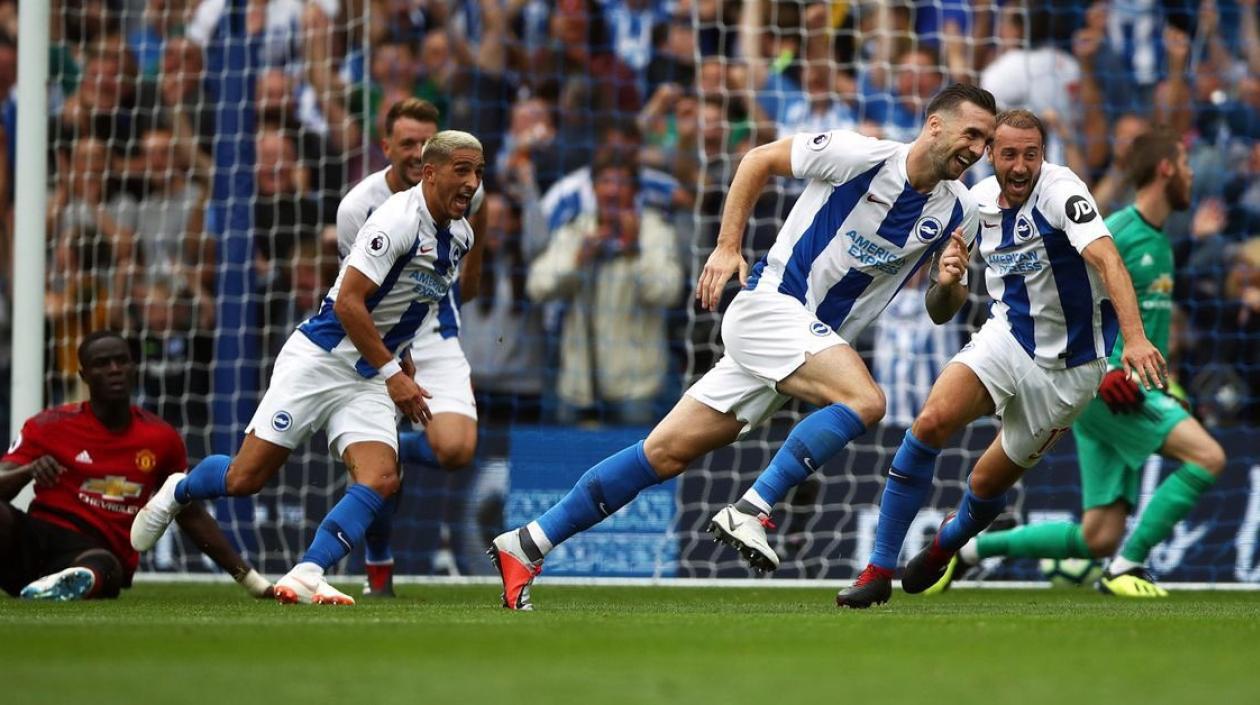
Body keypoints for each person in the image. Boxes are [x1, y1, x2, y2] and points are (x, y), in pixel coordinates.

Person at [489, 83, 999, 610]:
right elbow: (758, 159)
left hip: (805, 346)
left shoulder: (958, 210)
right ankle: (753, 508)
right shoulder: (860, 156)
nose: (978, 149)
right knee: (866, 400)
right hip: (771, 308)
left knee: (663, 453)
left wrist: (950, 284)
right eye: (972, 134)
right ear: (934, 125)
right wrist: (726, 246)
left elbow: (942, 310)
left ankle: (528, 542)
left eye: (985, 141)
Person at [129, 131, 485, 606]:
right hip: (321, 359)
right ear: (430, 173)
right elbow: (348, 304)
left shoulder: (461, 235)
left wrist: (402, 358)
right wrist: (393, 373)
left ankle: (308, 572)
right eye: (462, 170)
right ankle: (179, 488)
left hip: (370, 375)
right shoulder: (395, 220)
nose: (472, 182)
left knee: (381, 477)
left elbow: (413, 302)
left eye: (478, 172)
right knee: (245, 479)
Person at [835, 109, 1166, 608]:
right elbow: (941, 311)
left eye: (1031, 155)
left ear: (1043, 156)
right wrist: (947, 282)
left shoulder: (1062, 193)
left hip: (1070, 372)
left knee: (986, 485)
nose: (1020, 166)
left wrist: (1135, 339)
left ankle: (945, 545)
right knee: (931, 421)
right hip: (1007, 338)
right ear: (990, 154)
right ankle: (878, 569)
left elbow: (1108, 259)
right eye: (1009, 154)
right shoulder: (975, 205)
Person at [943, 126, 1227, 598]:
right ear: (1165, 169)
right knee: (1209, 456)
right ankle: (1127, 567)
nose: (1192, 175)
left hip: (1132, 390)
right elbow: (1079, 293)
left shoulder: (1160, 242)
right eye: (1185, 164)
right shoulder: (1120, 232)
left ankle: (969, 551)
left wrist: (1164, 382)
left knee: (1099, 536)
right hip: (1108, 388)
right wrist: (1110, 368)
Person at [335, 98, 485, 597]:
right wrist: (391, 361)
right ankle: (378, 568)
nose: (418, 152)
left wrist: (465, 292)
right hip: (377, 337)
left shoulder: (466, 189)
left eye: (426, 143)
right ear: (387, 147)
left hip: (434, 333)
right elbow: (353, 295)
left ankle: (395, 448)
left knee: (456, 449)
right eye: (407, 143)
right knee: (379, 471)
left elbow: (471, 247)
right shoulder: (358, 208)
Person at [0, 331, 271, 601]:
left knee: (105, 567)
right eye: (102, 363)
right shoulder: (48, 425)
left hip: (96, 553)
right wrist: (28, 471)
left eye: (121, 361)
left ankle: (60, 587)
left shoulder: (161, 439)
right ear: (84, 375)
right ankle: (58, 586)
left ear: (134, 368)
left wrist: (251, 581)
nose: (114, 369)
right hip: (38, 540)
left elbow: (190, 514)